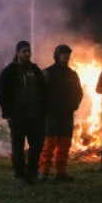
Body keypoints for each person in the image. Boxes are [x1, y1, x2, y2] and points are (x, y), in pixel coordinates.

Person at [0, 40, 47, 185]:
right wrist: (8, 113)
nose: (27, 54)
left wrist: (43, 111)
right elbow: (2, 94)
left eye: (29, 51)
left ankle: (32, 173)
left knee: (36, 146)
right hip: (17, 116)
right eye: (24, 51)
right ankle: (20, 175)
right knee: (17, 147)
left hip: (35, 116)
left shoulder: (35, 71)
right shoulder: (9, 71)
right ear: (17, 53)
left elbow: (43, 92)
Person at [40, 44, 83, 182]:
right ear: (57, 55)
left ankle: (61, 172)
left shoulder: (72, 74)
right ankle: (44, 172)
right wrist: (45, 108)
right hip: (51, 114)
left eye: (68, 54)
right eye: (63, 53)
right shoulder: (48, 73)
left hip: (67, 114)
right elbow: (40, 93)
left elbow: (78, 93)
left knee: (64, 144)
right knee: (49, 143)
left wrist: (75, 105)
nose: (66, 56)